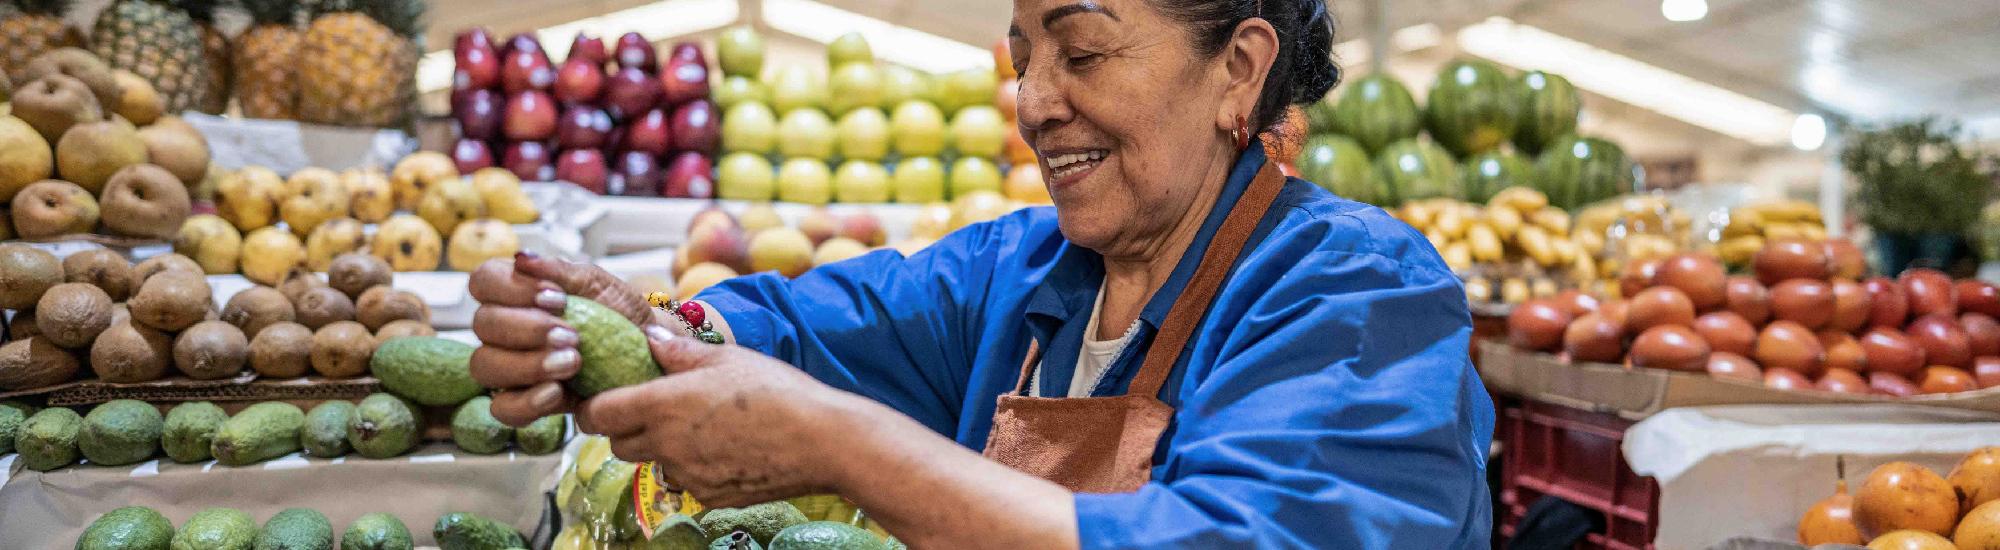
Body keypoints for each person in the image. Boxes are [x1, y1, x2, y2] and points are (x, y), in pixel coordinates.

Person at [467, 0, 1494, 547]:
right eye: (1021, 60)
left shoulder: (1360, 296)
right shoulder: (1025, 270)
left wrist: (845, 446)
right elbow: (802, 320)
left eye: (1081, 55)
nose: (1034, 103)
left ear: (1237, 69)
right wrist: (634, 324)